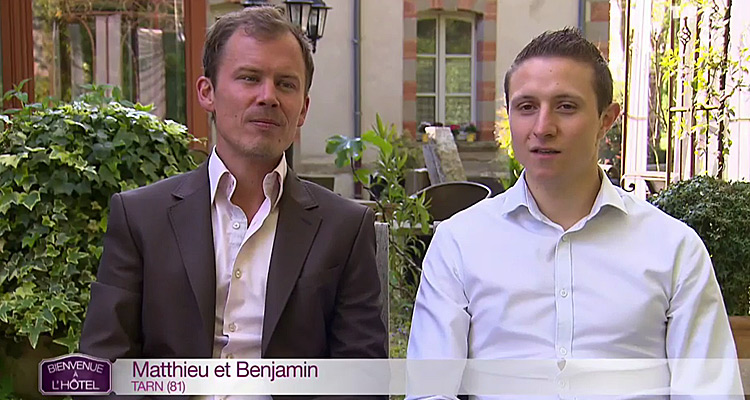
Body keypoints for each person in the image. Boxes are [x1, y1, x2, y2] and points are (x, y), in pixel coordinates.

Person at [407, 27, 742, 398]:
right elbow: (430, 390)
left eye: (566, 106)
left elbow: (709, 391)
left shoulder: (673, 249)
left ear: (606, 120)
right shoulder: (460, 243)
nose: (542, 128)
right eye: (526, 106)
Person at [79, 5, 386, 387]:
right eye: (249, 78)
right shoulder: (141, 217)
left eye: (286, 84)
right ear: (207, 93)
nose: (268, 96)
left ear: (303, 107)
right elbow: (101, 365)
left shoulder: (345, 229)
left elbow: (360, 378)